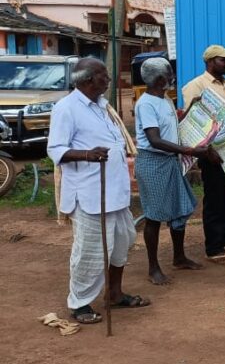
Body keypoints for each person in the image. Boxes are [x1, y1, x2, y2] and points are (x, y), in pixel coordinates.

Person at [47, 58, 149, 324]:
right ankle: (79, 304)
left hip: (115, 192)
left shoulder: (103, 105)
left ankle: (114, 293)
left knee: (122, 244)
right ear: (87, 80)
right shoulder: (66, 108)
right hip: (90, 193)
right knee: (90, 251)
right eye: (103, 75)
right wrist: (87, 154)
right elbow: (55, 149)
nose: (109, 78)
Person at [134, 57, 209, 285]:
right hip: (153, 162)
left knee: (178, 211)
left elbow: (172, 129)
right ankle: (153, 267)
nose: (171, 78)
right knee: (154, 216)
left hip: (169, 162)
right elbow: (155, 140)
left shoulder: (164, 99)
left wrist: (191, 110)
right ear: (159, 79)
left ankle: (179, 257)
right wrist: (190, 150)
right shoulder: (145, 104)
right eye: (169, 75)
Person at [181, 45, 225, 264]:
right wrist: (208, 152)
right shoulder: (194, 86)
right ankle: (213, 247)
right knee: (215, 199)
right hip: (212, 153)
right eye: (223, 60)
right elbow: (193, 125)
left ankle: (223, 240)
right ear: (209, 62)